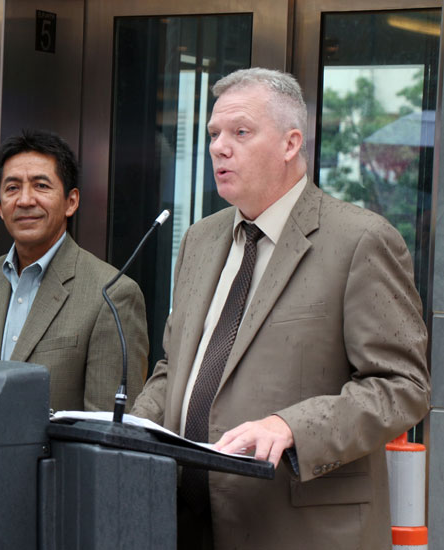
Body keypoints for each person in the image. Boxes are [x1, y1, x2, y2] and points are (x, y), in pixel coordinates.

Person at [131, 68, 430, 549]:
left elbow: (401, 386)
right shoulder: (200, 239)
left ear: (291, 144)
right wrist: (128, 429)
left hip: (297, 528)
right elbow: (176, 367)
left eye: (241, 132)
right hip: (183, 523)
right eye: (213, 134)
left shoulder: (361, 240)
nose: (219, 147)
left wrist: (293, 426)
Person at [0, 130, 148, 411]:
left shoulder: (112, 295)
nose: (25, 200)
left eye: (41, 186)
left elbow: (107, 432)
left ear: (71, 201)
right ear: (0, 207)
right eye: (12, 188)